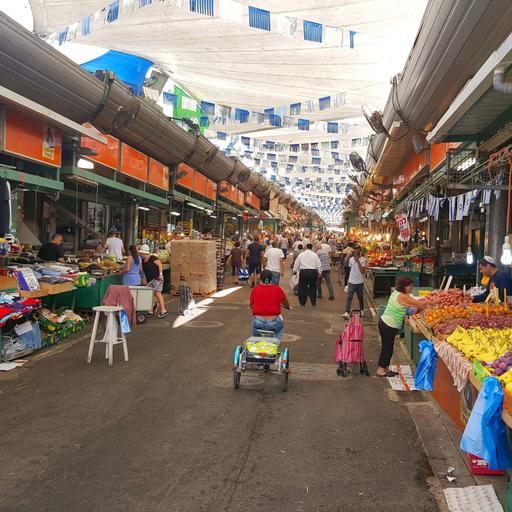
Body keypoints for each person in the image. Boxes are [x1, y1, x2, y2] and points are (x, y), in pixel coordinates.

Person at [377, 277, 425, 377]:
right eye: (410, 286)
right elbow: (419, 304)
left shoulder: (396, 293)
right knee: (387, 348)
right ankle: (381, 370)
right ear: (404, 287)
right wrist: (434, 301)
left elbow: (406, 310)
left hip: (384, 322)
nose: (411, 288)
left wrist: (417, 309)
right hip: (389, 325)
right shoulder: (403, 297)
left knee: (387, 347)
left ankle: (385, 368)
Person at [250, 269, 291, 340]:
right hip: (274, 322)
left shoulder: (255, 290)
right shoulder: (277, 289)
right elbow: (285, 302)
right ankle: (275, 344)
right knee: (279, 329)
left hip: (258, 322)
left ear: (260, 278)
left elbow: (251, 305)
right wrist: (287, 307)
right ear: (271, 278)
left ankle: (256, 342)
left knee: (255, 329)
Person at [139, 244, 168, 318]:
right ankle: (153, 309)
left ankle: (159, 309)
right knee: (155, 293)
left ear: (146, 253)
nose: (142, 254)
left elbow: (159, 265)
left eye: (142, 253)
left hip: (157, 278)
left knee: (155, 293)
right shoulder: (143, 260)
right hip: (150, 279)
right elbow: (143, 271)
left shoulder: (153, 258)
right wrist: (143, 279)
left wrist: (161, 274)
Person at [343, 247, 367, 319]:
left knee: (360, 297)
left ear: (360, 252)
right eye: (354, 252)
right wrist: (348, 281)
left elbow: (362, 271)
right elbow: (351, 270)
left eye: (357, 252)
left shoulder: (363, 260)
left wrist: (358, 261)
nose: (355, 253)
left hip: (359, 282)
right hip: (351, 282)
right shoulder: (351, 259)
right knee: (349, 297)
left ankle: (362, 310)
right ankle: (347, 312)